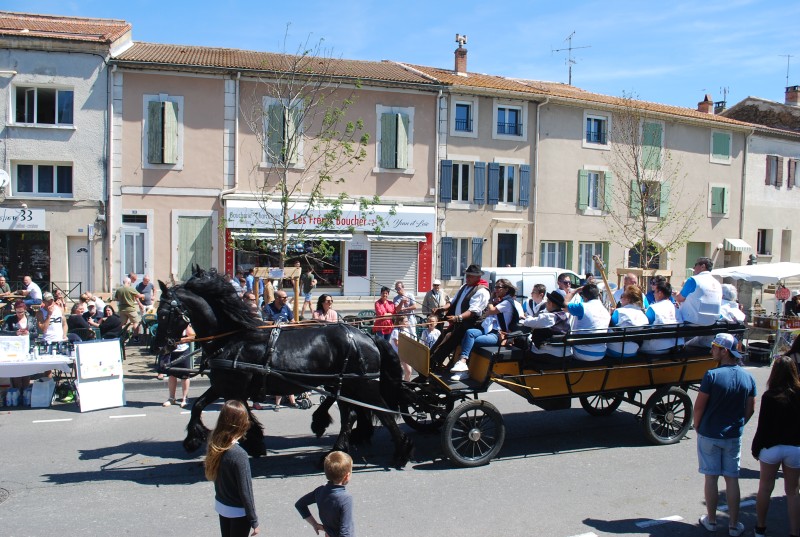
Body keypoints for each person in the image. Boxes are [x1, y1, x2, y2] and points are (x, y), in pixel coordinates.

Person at [695, 333, 756, 537]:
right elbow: (750, 410)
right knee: (732, 478)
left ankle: (711, 520)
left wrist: (698, 425)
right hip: (732, 435)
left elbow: (699, 406)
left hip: (710, 433)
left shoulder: (711, 376)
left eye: (714, 347)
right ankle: (733, 524)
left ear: (724, 351)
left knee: (711, 477)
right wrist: (738, 424)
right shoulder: (748, 377)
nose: (712, 350)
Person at [750, 355, 800, 537]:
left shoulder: (769, 396)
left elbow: (763, 426)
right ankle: (795, 532)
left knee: (765, 488)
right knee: (793, 491)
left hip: (771, 447)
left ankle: (760, 527)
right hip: (795, 447)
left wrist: (756, 448)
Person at [449, 278, 523, 381]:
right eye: (495, 287)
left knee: (472, 341)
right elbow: (488, 313)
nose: (495, 289)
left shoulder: (507, 302)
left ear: (506, 289)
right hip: (488, 330)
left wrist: (490, 300)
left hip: (497, 334)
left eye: (498, 287)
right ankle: (462, 364)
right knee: (469, 333)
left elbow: (491, 311)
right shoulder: (500, 301)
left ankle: (464, 369)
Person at [204, 400, 260, 537]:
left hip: (222, 504)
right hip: (238, 511)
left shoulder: (216, 443)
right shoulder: (239, 454)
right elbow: (245, 490)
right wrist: (254, 520)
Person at [429, 264, 491, 372]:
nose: (467, 278)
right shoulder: (464, 287)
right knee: (443, 336)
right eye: (467, 275)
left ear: (478, 277)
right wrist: (442, 308)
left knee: (449, 338)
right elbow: (453, 302)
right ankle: (429, 359)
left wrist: (458, 317)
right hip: (459, 323)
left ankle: (434, 363)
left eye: (470, 276)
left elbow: (472, 312)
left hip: (470, 325)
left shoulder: (482, 291)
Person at [295, 451, 354, 537]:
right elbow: (345, 533)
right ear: (347, 476)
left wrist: (315, 524)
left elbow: (300, 504)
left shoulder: (320, 491)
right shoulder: (346, 498)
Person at [564, 283, 611, 361]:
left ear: (584, 297)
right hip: (601, 353)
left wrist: (574, 291)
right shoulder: (605, 311)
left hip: (582, 353)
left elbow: (564, 305)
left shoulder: (582, 307)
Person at [523, 291, 572, 359]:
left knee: (522, 343)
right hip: (566, 353)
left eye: (547, 302)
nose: (545, 303)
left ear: (550, 303)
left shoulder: (549, 317)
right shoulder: (564, 315)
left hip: (550, 354)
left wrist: (528, 316)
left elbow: (527, 322)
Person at [3, 300, 38, 391]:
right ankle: (17, 390)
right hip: (15, 348)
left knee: (26, 370)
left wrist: (28, 333)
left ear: (25, 310)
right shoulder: (10, 319)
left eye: (21, 312)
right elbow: (3, 331)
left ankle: (25, 389)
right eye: (17, 312)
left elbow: (36, 334)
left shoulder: (31, 319)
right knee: (16, 370)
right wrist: (15, 333)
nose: (19, 314)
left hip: (28, 347)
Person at [640, 280, 682, 355]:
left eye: (655, 292)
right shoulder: (676, 308)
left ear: (660, 293)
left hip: (656, 347)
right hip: (675, 345)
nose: (653, 294)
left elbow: (644, 327)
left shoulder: (653, 308)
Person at [676, 257, 722, 326]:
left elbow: (680, 298)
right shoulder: (717, 283)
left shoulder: (693, 280)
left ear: (703, 266)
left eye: (695, 265)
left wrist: (675, 294)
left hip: (691, 323)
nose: (693, 268)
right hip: (711, 324)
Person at [607, 286, 649, 358]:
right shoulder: (643, 315)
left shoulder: (619, 312)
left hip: (616, 351)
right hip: (633, 351)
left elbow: (609, 328)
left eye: (622, 296)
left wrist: (610, 314)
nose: (620, 299)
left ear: (628, 299)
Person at [161, 324, 196, 408]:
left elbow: (193, 336)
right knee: (172, 375)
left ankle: (185, 398)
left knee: (185, 376)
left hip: (183, 351)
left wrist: (181, 340)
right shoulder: (168, 323)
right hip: (171, 351)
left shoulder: (185, 324)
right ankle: (171, 398)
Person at [115, 277, 144, 342]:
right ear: (128, 282)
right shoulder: (131, 289)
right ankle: (135, 337)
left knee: (122, 323)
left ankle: (121, 336)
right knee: (135, 322)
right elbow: (138, 295)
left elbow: (116, 299)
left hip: (122, 309)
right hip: (131, 309)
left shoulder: (119, 290)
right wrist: (143, 295)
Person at [390, 315, 417, 381]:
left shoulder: (406, 330)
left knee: (409, 371)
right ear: (400, 322)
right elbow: (397, 344)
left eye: (407, 321)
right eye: (406, 321)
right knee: (397, 372)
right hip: (397, 354)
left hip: (405, 354)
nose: (407, 323)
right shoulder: (396, 331)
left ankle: (405, 385)